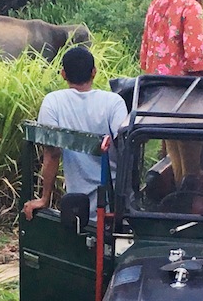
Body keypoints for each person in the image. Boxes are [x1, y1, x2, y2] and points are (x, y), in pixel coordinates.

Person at [22, 47, 127, 222]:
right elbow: (125, 146)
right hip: (115, 204)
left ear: (63, 74)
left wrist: (44, 198)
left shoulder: (53, 101)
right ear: (94, 72)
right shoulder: (113, 102)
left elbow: (52, 154)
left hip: (77, 206)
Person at [139, 0, 203, 186]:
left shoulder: (156, 4)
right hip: (185, 95)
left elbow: (145, 52)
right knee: (191, 163)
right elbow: (196, 58)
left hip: (159, 94)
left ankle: (177, 198)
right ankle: (189, 201)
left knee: (174, 155)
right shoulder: (190, 7)